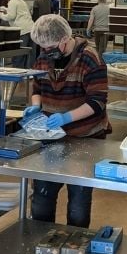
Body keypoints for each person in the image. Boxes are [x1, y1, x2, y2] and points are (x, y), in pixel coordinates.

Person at [24, 14, 111, 228]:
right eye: (42, 47)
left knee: (78, 205)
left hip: (86, 137)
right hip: (51, 138)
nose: (46, 52)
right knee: (42, 200)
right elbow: (37, 85)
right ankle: (42, 244)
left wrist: (66, 117)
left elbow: (97, 101)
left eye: (50, 47)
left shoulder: (90, 58)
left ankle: (75, 247)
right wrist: (36, 105)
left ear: (64, 38)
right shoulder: (45, 57)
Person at [0, 0, 35, 68]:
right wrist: (6, 10)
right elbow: (19, 13)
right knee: (29, 53)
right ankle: (29, 72)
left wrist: (0, 15)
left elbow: (11, 16)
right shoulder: (22, 1)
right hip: (31, 28)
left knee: (19, 53)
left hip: (22, 30)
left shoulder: (12, 2)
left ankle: (17, 71)